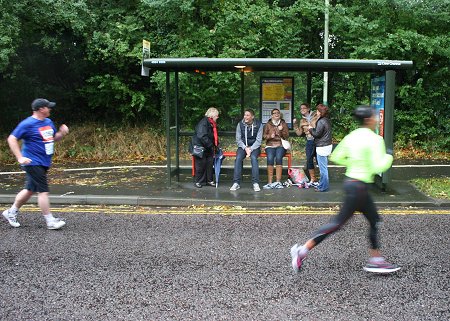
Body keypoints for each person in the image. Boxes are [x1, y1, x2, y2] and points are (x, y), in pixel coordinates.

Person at [290, 105, 400, 274]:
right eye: (375, 117)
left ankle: (376, 259)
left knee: (374, 220)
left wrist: (355, 163)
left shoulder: (352, 136)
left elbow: (336, 156)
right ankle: (302, 250)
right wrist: (389, 156)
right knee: (337, 224)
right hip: (360, 187)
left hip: (352, 183)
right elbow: (379, 165)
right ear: (369, 120)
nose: (377, 119)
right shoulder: (375, 139)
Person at [2, 98, 69, 230]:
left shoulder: (48, 122)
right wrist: (20, 157)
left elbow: (53, 138)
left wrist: (62, 133)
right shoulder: (27, 124)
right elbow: (12, 138)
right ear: (41, 109)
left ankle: (11, 212)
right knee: (43, 191)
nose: (50, 109)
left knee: (29, 190)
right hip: (32, 162)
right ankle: (50, 221)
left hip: (44, 162)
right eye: (48, 107)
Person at [230, 109, 263, 192]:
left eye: (248, 115)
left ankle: (255, 183)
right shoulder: (240, 124)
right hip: (243, 146)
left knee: (254, 158)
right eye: (245, 115)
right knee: (238, 159)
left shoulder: (259, 125)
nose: (245, 117)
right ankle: (236, 183)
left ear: (252, 116)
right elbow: (238, 139)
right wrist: (245, 148)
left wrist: (251, 149)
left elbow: (259, 141)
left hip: (254, 147)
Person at [191, 107, 219, 188]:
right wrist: (211, 145)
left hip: (207, 147)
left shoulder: (211, 123)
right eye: (217, 115)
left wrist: (215, 145)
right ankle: (198, 181)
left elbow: (213, 136)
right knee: (201, 164)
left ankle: (209, 180)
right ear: (212, 115)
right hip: (200, 147)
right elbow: (202, 136)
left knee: (209, 164)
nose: (218, 117)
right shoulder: (203, 123)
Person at [262, 108, 289, 189]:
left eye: (278, 113)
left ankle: (278, 181)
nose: (276, 114)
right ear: (272, 115)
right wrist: (270, 136)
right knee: (270, 158)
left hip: (280, 145)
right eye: (274, 113)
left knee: (278, 158)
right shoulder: (268, 124)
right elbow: (263, 136)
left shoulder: (283, 123)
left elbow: (286, 136)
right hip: (270, 145)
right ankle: (270, 182)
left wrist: (280, 131)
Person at [293, 103, 319, 186]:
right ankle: (313, 178)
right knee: (309, 160)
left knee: (319, 160)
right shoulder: (302, 120)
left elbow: (320, 127)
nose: (302, 110)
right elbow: (299, 133)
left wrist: (310, 126)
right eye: (301, 109)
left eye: (304, 108)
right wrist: (295, 125)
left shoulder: (316, 116)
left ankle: (322, 178)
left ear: (308, 109)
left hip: (318, 140)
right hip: (309, 141)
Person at [308, 104, 332, 192]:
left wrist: (310, 129)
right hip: (327, 145)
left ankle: (323, 187)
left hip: (322, 146)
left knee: (323, 169)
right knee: (323, 166)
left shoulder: (321, 121)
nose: (316, 112)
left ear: (320, 112)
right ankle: (322, 185)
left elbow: (317, 134)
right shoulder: (327, 120)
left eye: (317, 111)